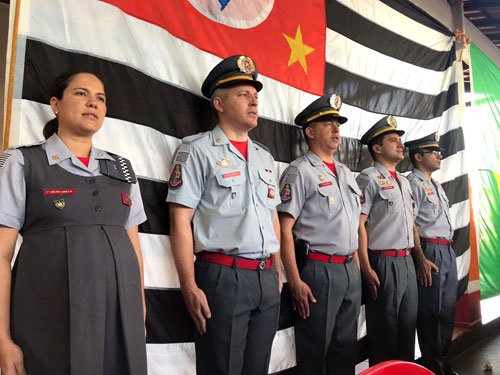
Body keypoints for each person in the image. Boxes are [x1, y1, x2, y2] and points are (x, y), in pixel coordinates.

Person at [0, 71, 148, 375]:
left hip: (120, 319)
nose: (93, 102)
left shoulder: (122, 168)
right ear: (55, 104)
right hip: (49, 318)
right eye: (81, 94)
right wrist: (2, 339)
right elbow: (1, 255)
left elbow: (133, 245)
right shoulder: (22, 162)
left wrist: (140, 310)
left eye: (101, 98)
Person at [167, 55, 282, 375]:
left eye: (256, 96)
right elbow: (180, 221)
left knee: (257, 368)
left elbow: (272, 216)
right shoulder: (197, 150)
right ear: (219, 102)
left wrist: (278, 271)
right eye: (244, 94)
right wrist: (188, 283)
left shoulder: (264, 157)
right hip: (223, 278)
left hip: (266, 277)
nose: (253, 101)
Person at [278, 94, 362, 375]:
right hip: (319, 272)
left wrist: (358, 268)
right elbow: (284, 229)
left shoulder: (346, 173)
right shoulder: (299, 171)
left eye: (337, 123)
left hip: (350, 270)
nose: (336, 128)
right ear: (310, 132)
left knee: (344, 351)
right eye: (328, 123)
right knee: (315, 353)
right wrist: (294, 280)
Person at [356, 116, 434, 366]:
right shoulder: (367, 178)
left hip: (406, 261)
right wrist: (366, 267)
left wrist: (417, 257)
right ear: (377, 148)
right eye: (393, 140)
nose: (400, 145)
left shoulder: (403, 181)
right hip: (383, 262)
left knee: (406, 331)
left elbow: (411, 224)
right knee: (384, 335)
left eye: (400, 140)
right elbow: (359, 225)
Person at [405, 133, 458, 375]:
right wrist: (420, 258)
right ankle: (431, 366)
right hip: (430, 250)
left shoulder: (434, 183)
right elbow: (411, 223)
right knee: (431, 313)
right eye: (433, 151)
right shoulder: (413, 183)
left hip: (446, 249)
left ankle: (442, 361)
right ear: (418, 156)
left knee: (446, 310)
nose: (439, 155)